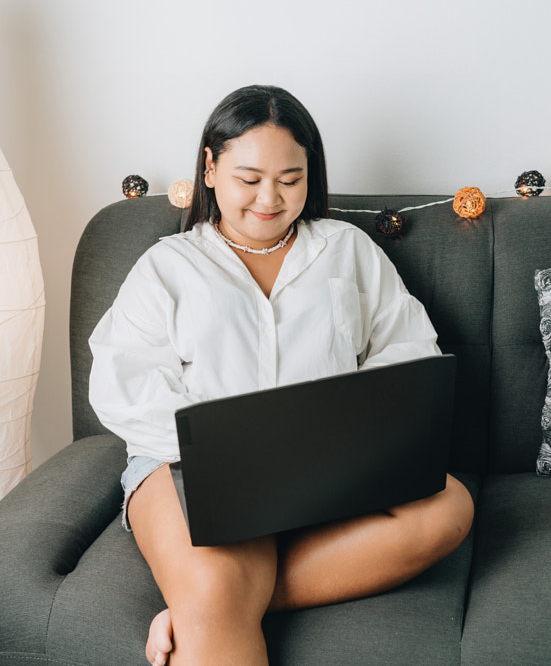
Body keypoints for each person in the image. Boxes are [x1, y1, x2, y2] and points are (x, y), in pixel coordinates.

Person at [89, 85, 474, 666]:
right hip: (189, 465)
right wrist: (232, 448)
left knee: (449, 507)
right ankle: (209, 598)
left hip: (327, 464)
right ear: (210, 168)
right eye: (248, 179)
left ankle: (206, 602)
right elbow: (123, 384)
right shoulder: (167, 266)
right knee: (214, 582)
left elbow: (409, 351)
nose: (269, 199)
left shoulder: (348, 249)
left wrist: (345, 435)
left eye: (290, 180)